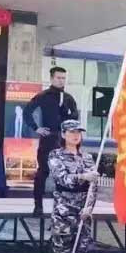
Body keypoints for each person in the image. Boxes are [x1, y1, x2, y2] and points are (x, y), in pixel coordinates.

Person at [48, 120, 98, 253]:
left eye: (78, 132)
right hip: (64, 214)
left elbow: (93, 187)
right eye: (71, 132)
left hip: (82, 214)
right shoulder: (56, 155)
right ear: (63, 134)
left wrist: (89, 209)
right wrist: (83, 177)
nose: (76, 135)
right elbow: (63, 180)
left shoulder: (87, 157)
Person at [24, 67, 79, 215]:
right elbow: (27, 111)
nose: (61, 81)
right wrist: (36, 128)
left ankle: (64, 207)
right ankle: (38, 206)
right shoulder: (43, 96)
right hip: (48, 138)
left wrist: (67, 118)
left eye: (63, 78)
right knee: (43, 171)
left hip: (63, 140)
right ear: (52, 78)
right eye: (58, 78)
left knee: (65, 173)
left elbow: (75, 117)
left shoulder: (68, 98)